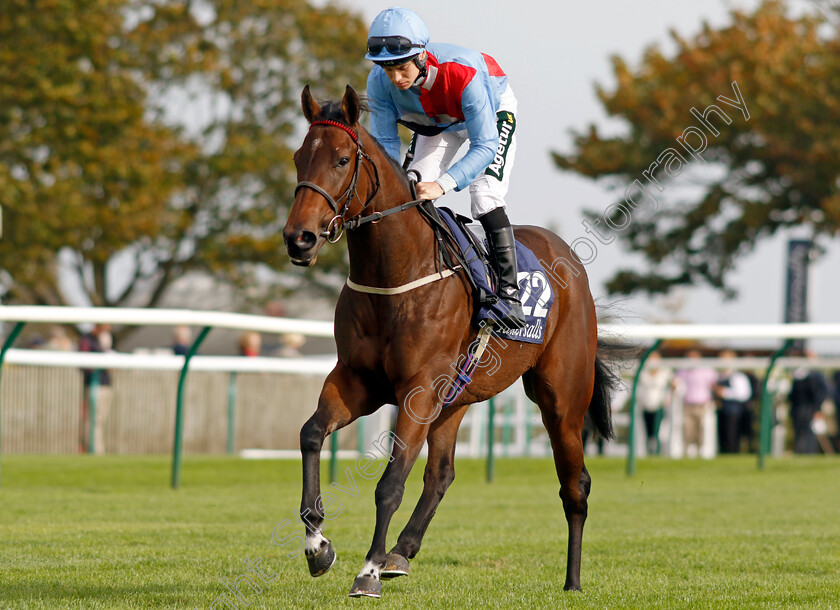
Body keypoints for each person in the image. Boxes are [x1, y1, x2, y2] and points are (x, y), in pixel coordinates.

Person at [364, 7, 525, 329]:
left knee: (484, 194)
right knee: (408, 191)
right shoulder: (378, 83)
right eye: (386, 68)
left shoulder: (461, 72)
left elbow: (484, 145)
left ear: (421, 56)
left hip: (489, 117)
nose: (395, 78)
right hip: (438, 125)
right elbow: (385, 144)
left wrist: (444, 184)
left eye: (401, 66)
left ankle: (510, 294)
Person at [672, 349, 718, 458]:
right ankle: (688, 452)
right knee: (688, 429)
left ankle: (703, 452)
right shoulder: (681, 371)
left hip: (703, 405)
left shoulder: (707, 370)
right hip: (687, 405)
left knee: (703, 429)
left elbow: (714, 386)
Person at [78, 324, 113, 455]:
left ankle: (96, 449)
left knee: (100, 419)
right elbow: (84, 365)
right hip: (94, 384)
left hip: (105, 384)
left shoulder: (104, 341)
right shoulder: (87, 340)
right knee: (93, 419)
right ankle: (94, 450)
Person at [788, 350, 828, 454]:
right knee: (799, 433)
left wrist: (817, 408)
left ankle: (809, 453)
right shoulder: (798, 373)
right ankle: (800, 452)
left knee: (808, 434)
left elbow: (822, 392)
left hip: (809, 408)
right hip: (797, 409)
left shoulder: (816, 374)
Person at [713, 350, 753, 454]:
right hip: (721, 411)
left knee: (732, 438)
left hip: (734, 412)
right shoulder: (719, 375)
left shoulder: (738, 376)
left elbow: (744, 395)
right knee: (722, 439)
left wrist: (724, 393)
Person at [636, 351, 671, 455]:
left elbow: (671, 387)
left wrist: (667, 398)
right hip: (646, 407)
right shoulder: (643, 373)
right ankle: (649, 453)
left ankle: (658, 453)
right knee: (647, 433)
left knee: (659, 433)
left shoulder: (666, 373)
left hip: (659, 407)